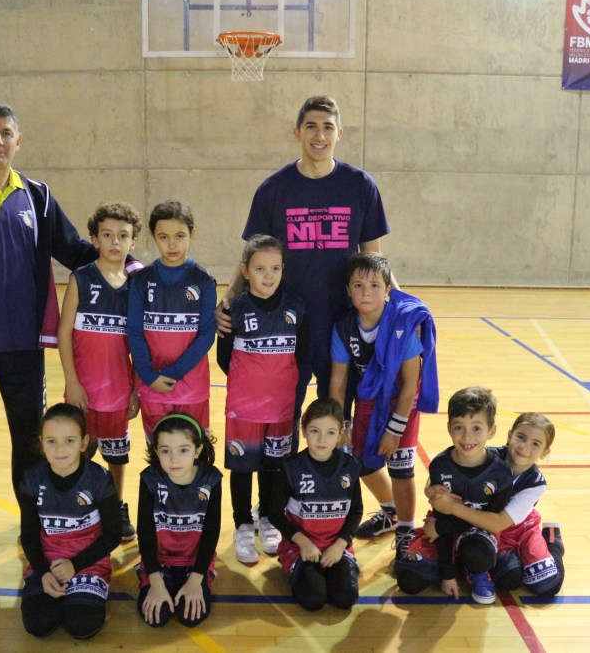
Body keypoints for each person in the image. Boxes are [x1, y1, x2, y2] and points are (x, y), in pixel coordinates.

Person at [0, 103, 138, 558]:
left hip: (24, 344)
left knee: (31, 439)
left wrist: (131, 266)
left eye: (6, 133)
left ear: (19, 141)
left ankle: (34, 519)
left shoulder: (37, 196)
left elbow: (75, 249)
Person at [217, 95, 395, 419]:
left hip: (341, 320)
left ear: (340, 133)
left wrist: (403, 307)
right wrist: (228, 299)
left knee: (337, 413)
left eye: (328, 127)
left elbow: (374, 260)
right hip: (284, 322)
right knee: (282, 412)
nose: (320, 135)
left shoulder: (360, 186)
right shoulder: (273, 189)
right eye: (311, 126)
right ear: (297, 132)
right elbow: (251, 256)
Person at [327, 252, 438, 561]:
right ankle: (391, 512)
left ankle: (406, 531)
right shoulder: (344, 326)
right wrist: (339, 425)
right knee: (361, 461)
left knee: (401, 467)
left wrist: (394, 430)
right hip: (368, 399)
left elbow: (410, 385)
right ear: (348, 290)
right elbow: (338, 380)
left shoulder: (402, 324)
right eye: (358, 285)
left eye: (375, 285)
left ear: (388, 290)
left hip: (401, 403)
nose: (366, 292)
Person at [215, 235, 307, 564]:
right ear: (245, 271)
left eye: (275, 268)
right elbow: (223, 359)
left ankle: (268, 517)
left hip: (281, 407)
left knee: (273, 468)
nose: (268, 276)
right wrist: (249, 384)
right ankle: (242, 524)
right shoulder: (234, 310)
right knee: (242, 468)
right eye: (260, 269)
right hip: (244, 408)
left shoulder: (296, 307)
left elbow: (303, 354)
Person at [58, 201, 142, 542]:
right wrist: (72, 382)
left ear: (133, 241)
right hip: (83, 390)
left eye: (122, 235)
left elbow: (140, 344)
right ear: (94, 239)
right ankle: (79, 506)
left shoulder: (136, 286)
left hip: (118, 390)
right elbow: (64, 333)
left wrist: (136, 389)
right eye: (107, 235)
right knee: (79, 451)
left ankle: (116, 506)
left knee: (116, 455)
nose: (115, 242)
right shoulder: (81, 278)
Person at [395, 386, 513, 605]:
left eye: (476, 428)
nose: (467, 436)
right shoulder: (440, 466)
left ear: (492, 431)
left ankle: (475, 571)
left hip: (478, 532)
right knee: (408, 581)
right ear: (449, 428)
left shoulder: (501, 473)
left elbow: (490, 522)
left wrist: (442, 527)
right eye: (459, 427)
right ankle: (452, 564)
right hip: (444, 530)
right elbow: (441, 518)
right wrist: (447, 575)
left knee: (478, 555)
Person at [428, 412, 565, 596]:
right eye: (521, 437)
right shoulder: (486, 455)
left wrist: (449, 512)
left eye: (535, 444)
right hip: (478, 522)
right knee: (509, 578)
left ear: (545, 452)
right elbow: (439, 475)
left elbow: (499, 522)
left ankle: (553, 542)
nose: (524, 446)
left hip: (517, 527)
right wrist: (431, 491)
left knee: (547, 585)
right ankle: (485, 564)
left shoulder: (536, 484)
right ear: (509, 435)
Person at [16, 403, 121, 640]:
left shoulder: (99, 479)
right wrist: (43, 573)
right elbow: (29, 535)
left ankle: (85, 598)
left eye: (70, 441)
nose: (60, 449)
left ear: (84, 443)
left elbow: (113, 535)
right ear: (41, 443)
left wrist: (75, 565)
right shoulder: (32, 478)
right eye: (51, 441)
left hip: (88, 563)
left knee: (81, 625)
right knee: (38, 624)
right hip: (47, 563)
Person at [127, 200, 216, 441]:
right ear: (153, 237)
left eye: (180, 236)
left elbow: (207, 334)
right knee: (158, 451)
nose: (172, 244)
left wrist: (175, 372)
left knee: (195, 450)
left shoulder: (203, 280)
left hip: (191, 387)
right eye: (163, 237)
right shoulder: (141, 280)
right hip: (152, 385)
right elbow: (134, 331)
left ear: (192, 234)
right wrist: (148, 375)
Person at [268, 398, 363, 611]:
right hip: (302, 548)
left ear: (340, 434)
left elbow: (356, 510)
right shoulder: (292, 468)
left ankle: (332, 570)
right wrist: (302, 541)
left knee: (346, 598)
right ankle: (301, 570)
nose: (322, 439)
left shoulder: (349, 466)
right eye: (314, 431)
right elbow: (274, 512)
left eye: (330, 432)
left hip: (336, 545)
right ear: (303, 431)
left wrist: (340, 545)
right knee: (313, 599)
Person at [136, 414, 223, 628]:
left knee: (191, 617)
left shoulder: (211, 479)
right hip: (159, 562)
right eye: (166, 451)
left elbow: (211, 533)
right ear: (156, 451)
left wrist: (196, 580)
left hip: (194, 562)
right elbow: (145, 533)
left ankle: (200, 579)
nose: (174, 459)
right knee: (157, 617)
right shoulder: (150, 479)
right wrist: (156, 582)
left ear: (197, 450)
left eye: (183, 450)